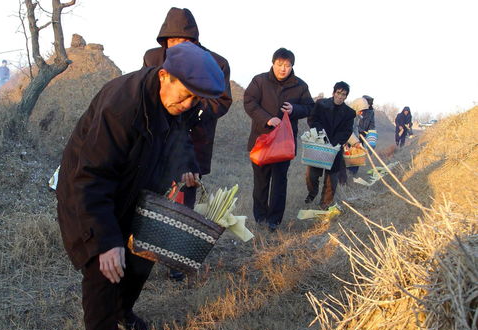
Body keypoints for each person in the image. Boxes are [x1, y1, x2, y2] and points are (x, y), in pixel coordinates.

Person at [56, 42, 225, 330]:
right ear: (164, 75)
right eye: (186, 94)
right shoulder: (122, 107)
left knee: (142, 253)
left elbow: (180, 137)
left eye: (196, 99)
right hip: (89, 188)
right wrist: (105, 241)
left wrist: (186, 164)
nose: (188, 103)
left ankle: (123, 311)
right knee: (104, 267)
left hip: (138, 185)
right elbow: (91, 177)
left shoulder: (177, 102)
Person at [143, 7, 232, 280]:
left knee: (184, 200)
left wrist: (191, 106)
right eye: (171, 41)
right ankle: (147, 251)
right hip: (159, 137)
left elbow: (221, 101)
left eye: (183, 41)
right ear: (163, 41)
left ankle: (176, 260)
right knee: (153, 194)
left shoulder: (216, 62)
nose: (176, 47)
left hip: (195, 138)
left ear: (194, 41)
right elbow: (147, 92)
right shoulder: (153, 58)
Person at [244, 48, 314, 231]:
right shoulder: (259, 81)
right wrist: (267, 118)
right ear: (273, 63)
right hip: (262, 140)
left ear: (292, 66)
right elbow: (249, 102)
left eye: (287, 65)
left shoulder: (300, 86)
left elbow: (309, 107)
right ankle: (260, 218)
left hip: (284, 144)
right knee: (261, 181)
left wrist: (295, 109)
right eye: (280, 64)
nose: (283, 69)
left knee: (279, 182)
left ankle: (274, 221)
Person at [305, 81, 356, 209]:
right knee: (311, 175)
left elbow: (347, 131)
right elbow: (312, 119)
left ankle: (324, 205)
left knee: (331, 179)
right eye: (338, 93)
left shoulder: (349, 113)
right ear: (333, 93)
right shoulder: (321, 104)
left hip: (335, 148)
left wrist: (334, 143)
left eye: (343, 94)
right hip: (319, 143)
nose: (340, 96)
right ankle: (312, 192)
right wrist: (321, 134)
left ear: (346, 97)